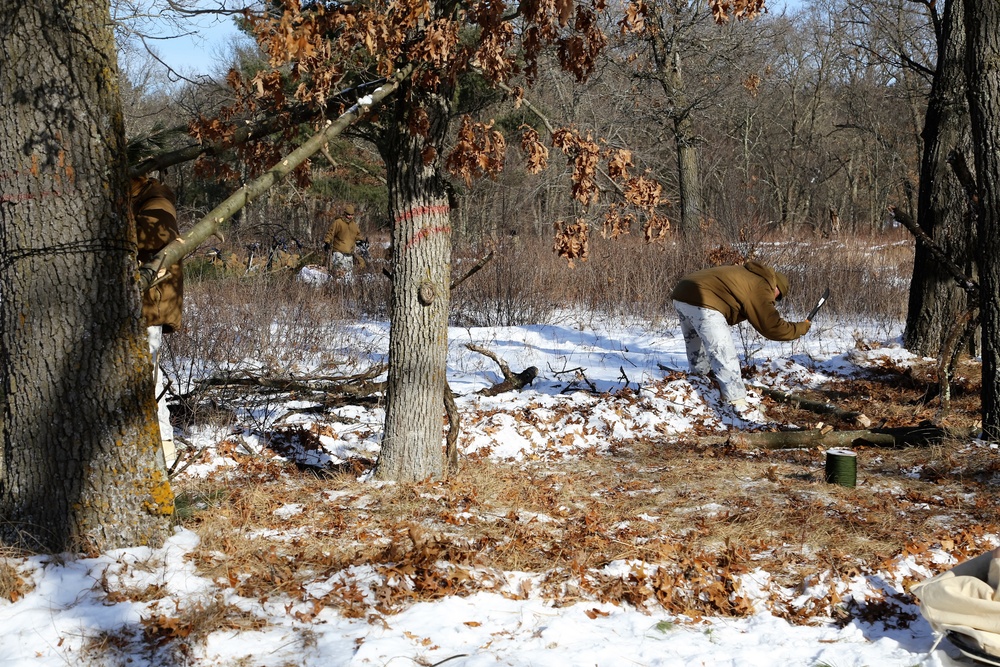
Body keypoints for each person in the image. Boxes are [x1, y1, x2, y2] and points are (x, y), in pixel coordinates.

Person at [670, 260, 811, 423]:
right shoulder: (762, 285)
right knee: (724, 353)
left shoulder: (748, 275)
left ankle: (700, 385)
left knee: (696, 347)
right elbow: (771, 326)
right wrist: (801, 328)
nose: (774, 301)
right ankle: (737, 405)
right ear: (776, 288)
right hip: (703, 299)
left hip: (682, 293)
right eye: (777, 298)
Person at [132, 175, 183, 466]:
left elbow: (154, 237)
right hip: (145, 302)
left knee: (149, 379)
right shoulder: (146, 200)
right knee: (148, 376)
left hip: (150, 302)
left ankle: (163, 450)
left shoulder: (156, 201)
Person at [322, 203, 363, 278]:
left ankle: (345, 289)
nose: (350, 216)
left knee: (348, 275)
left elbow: (358, 235)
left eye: (352, 215)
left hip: (349, 254)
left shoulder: (354, 225)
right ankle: (335, 288)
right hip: (338, 253)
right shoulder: (338, 222)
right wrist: (327, 242)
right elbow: (330, 233)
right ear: (345, 214)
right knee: (338, 274)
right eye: (348, 214)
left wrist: (361, 241)